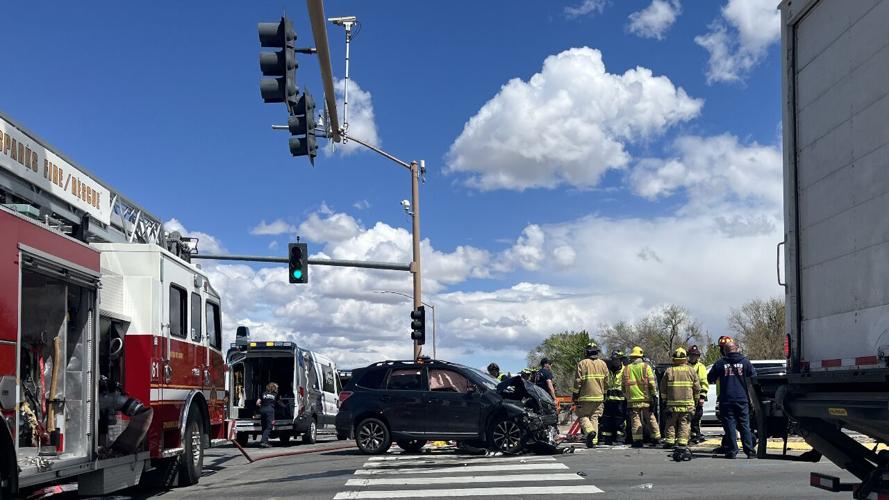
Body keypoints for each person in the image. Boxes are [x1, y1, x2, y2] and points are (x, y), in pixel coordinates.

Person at [707, 341, 757, 459]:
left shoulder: (720, 363)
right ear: (737, 349)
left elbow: (710, 377)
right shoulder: (745, 362)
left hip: (726, 399)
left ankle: (732, 451)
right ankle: (749, 451)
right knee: (744, 425)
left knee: (729, 425)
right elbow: (754, 377)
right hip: (742, 398)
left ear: (725, 351)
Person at [660, 347, 700, 454]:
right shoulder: (691, 371)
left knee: (670, 423)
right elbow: (697, 388)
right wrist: (696, 400)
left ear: (674, 359)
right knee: (684, 423)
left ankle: (670, 441)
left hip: (672, 404)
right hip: (687, 404)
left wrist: (664, 400)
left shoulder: (669, 371)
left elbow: (663, 388)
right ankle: (682, 442)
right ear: (685, 359)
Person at [622, 346, 661, 448]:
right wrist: (654, 395)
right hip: (646, 399)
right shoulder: (646, 367)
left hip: (632, 400)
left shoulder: (626, 368)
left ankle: (638, 440)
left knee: (635, 420)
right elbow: (652, 383)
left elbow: (623, 386)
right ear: (641, 356)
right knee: (651, 418)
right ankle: (656, 438)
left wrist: (627, 396)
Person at [573, 343, 610, 448]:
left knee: (582, 416)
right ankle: (593, 441)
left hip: (585, 397)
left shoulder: (582, 363)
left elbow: (578, 381)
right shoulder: (603, 364)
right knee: (594, 417)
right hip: (599, 397)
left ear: (587, 352)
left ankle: (589, 432)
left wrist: (575, 394)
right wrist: (604, 393)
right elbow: (607, 381)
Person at [600, 350, 627, 445]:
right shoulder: (609, 370)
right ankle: (607, 439)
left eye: (617, 360)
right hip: (609, 400)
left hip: (620, 401)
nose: (615, 362)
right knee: (607, 420)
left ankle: (620, 439)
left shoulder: (625, 370)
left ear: (621, 360)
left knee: (620, 421)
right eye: (613, 360)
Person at [687, 345, 709, 444]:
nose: (693, 357)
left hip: (697, 396)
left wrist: (702, 397)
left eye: (695, 355)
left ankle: (696, 434)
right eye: (691, 355)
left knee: (697, 416)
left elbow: (704, 383)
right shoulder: (685, 366)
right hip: (687, 396)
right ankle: (691, 434)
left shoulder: (701, 367)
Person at [257, 382, 282, 448]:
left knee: (264, 426)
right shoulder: (275, 395)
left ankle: (265, 441)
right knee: (269, 426)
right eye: (276, 388)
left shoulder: (263, 393)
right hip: (270, 411)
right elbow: (279, 403)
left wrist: (262, 406)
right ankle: (263, 441)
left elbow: (257, 403)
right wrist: (285, 406)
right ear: (274, 388)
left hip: (262, 410)